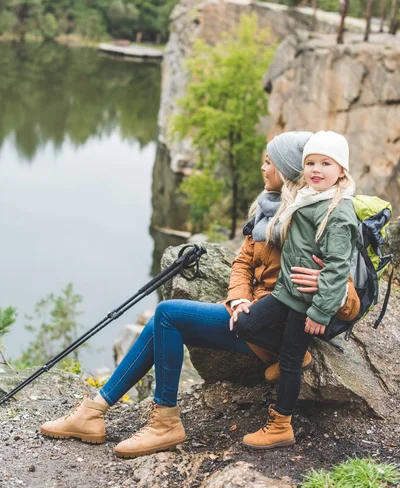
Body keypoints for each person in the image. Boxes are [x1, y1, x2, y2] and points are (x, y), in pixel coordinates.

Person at [39, 131, 358, 459]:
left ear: (287, 170)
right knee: (161, 323)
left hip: (271, 330)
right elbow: (242, 264)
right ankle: (93, 413)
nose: (262, 168)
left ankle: (164, 423)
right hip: (250, 313)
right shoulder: (267, 212)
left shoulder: (312, 216)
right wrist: (239, 298)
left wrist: (325, 285)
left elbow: (347, 298)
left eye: (269, 162)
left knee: (167, 315)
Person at [234, 130, 359, 450]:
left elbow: (336, 268)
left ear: (341, 170)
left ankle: (280, 426)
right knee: (244, 322)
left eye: (326, 164)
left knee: (289, 361)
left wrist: (319, 311)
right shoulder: (305, 197)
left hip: (306, 304)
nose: (316, 170)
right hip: (284, 294)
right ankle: (291, 357)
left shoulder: (338, 211)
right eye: (310, 163)